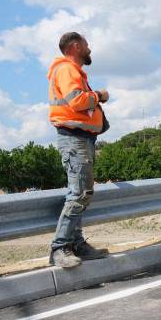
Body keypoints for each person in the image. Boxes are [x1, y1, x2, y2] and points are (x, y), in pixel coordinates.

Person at [47, 32, 110, 268]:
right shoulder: (66, 69)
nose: (89, 48)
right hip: (74, 138)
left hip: (80, 138)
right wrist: (99, 96)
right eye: (86, 44)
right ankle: (60, 248)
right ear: (75, 46)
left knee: (82, 193)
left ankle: (77, 244)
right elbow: (77, 101)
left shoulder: (71, 71)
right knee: (79, 193)